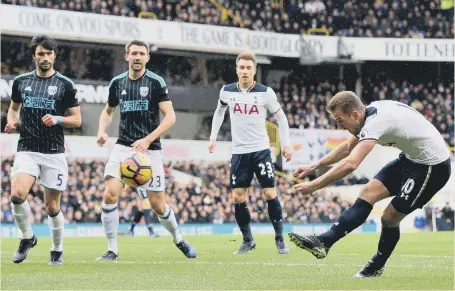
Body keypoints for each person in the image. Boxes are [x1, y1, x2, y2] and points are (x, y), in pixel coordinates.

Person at [288, 91, 451, 278]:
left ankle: (376, 266)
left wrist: (314, 186)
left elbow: (351, 164)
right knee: (367, 192)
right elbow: (348, 148)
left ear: (355, 115)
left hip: (433, 167)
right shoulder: (368, 114)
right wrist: (314, 166)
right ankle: (324, 242)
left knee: (389, 218)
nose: (339, 126)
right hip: (411, 159)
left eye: (340, 120)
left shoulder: (377, 122)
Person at [96, 40, 196, 260]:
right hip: (123, 147)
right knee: (110, 193)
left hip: (150, 151)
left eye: (142, 53)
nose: (138, 57)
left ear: (148, 58)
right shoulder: (117, 83)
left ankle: (178, 238)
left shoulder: (155, 82)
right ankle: (112, 249)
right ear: (127, 56)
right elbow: (107, 111)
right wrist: (102, 131)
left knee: (158, 205)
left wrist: (147, 140)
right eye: (134, 53)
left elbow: (171, 118)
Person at [4, 35, 81, 265]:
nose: (45, 57)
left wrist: (57, 119)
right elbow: (13, 109)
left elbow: (77, 120)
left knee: (52, 207)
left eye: (49, 53)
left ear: (54, 55)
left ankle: (57, 250)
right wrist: (11, 121)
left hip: (54, 152)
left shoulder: (65, 85)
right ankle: (27, 237)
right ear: (34, 56)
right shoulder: (21, 82)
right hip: (27, 148)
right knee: (17, 194)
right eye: (41, 53)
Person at [208, 51, 292, 254]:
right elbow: (219, 112)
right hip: (239, 152)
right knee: (238, 196)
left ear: (255, 71)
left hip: (261, 150)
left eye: (249, 68)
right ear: (237, 70)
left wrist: (286, 144)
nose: (245, 71)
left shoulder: (266, 93)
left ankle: (280, 238)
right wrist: (213, 137)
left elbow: (282, 119)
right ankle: (248, 240)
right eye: (242, 67)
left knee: (269, 193)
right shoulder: (227, 91)